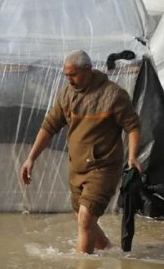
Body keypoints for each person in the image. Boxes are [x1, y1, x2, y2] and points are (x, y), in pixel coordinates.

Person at [20, 50, 141, 254]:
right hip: (77, 168)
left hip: (103, 167)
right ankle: (111, 251)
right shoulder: (67, 94)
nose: (69, 79)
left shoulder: (113, 95)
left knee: (85, 217)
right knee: (82, 219)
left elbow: (133, 127)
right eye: (66, 75)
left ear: (88, 70)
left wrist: (132, 157)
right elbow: (49, 126)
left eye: (73, 74)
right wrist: (30, 158)